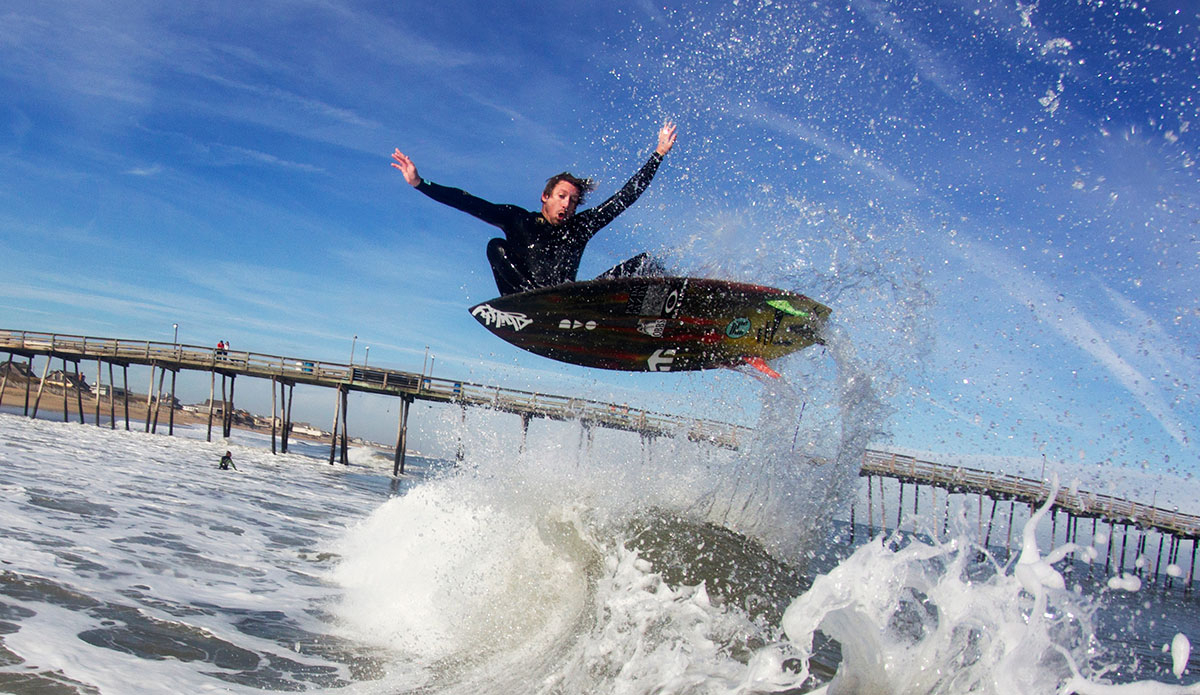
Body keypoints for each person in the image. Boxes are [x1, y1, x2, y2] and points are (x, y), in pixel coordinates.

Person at [391, 120, 678, 295]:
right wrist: (420, 183)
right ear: (545, 197)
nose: (567, 204)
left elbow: (625, 197)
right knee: (495, 246)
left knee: (645, 263)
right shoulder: (518, 220)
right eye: (562, 196)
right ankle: (531, 303)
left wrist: (658, 154)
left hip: (570, 301)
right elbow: (468, 202)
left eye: (573, 201)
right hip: (525, 299)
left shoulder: (580, 227)